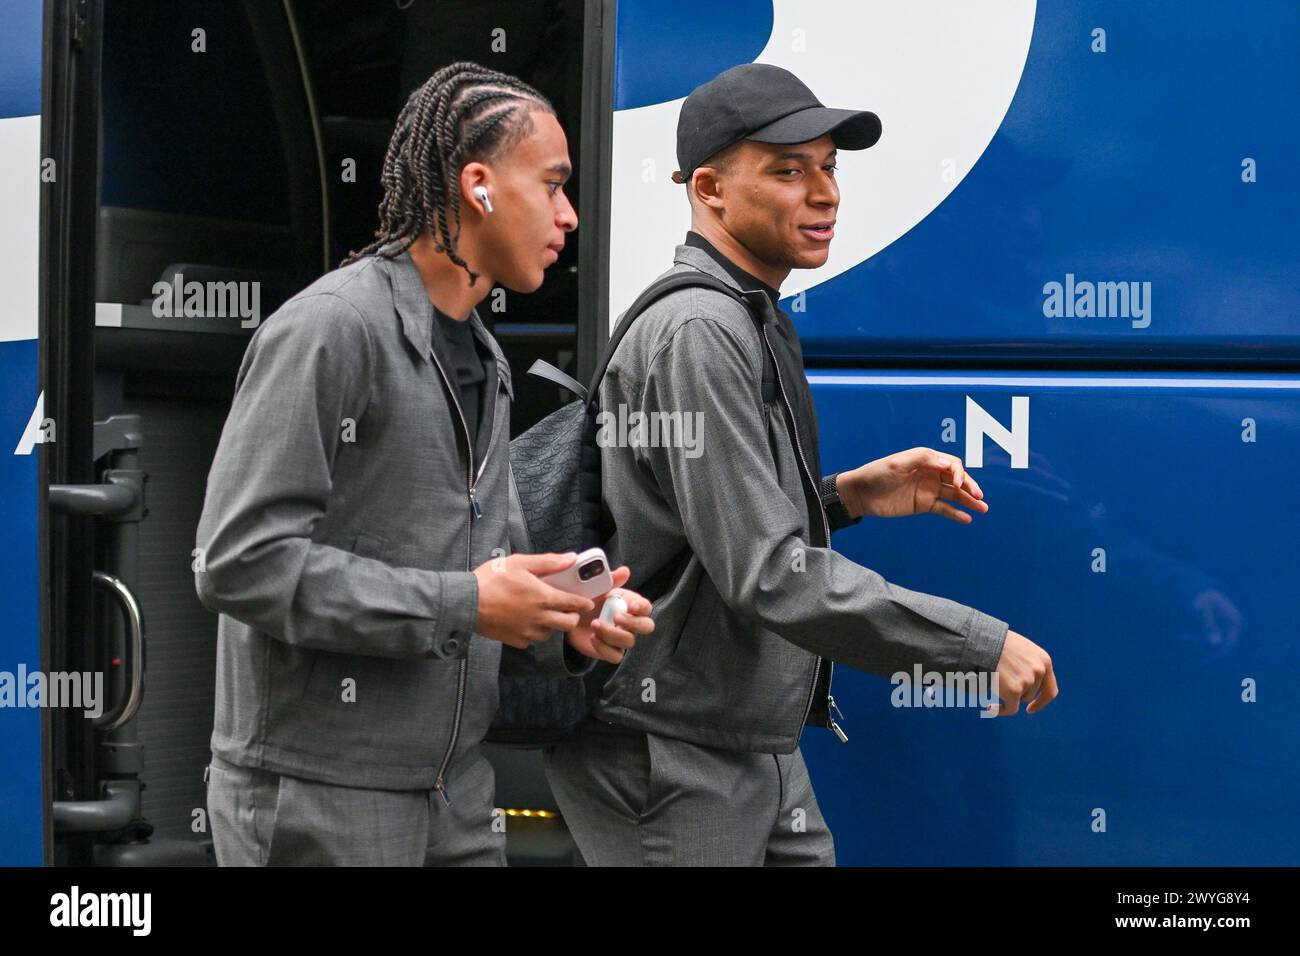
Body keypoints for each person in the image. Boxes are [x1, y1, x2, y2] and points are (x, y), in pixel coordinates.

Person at [543, 63, 1058, 866]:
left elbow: (711, 525)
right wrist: (978, 644)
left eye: (829, 167)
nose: (825, 194)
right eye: (788, 170)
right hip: (671, 753)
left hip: (744, 737)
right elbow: (770, 572)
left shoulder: (745, 315)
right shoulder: (700, 331)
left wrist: (848, 495)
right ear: (710, 189)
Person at [195, 61, 654, 866]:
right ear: (478, 186)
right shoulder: (330, 330)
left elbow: (486, 581)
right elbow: (238, 564)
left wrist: (569, 624)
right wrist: (465, 603)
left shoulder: (484, 357)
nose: (569, 214)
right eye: (551, 185)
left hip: (455, 798)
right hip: (321, 804)